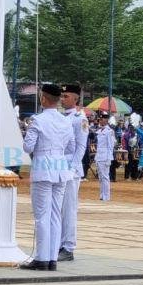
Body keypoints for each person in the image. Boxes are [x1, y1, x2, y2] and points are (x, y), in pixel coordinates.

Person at [20, 84, 73, 271]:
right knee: (55, 215)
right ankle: (52, 259)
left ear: (44, 98)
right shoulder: (66, 121)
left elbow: (28, 147)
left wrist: (26, 132)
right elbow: (71, 147)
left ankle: (41, 258)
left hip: (43, 167)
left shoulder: (37, 120)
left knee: (42, 215)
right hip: (60, 168)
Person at [57, 85, 88, 262]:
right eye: (61, 96)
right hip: (60, 166)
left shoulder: (79, 118)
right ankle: (60, 243)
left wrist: (73, 168)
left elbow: (81, 146)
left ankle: (68, 247)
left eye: (66, 96)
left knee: (69, 209)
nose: (62, 99)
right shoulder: (63, 117)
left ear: (75, 99)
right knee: (60, 208)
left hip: (71, 169)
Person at [94, 111, 116, 200]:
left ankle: (106, 196)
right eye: (100, 119)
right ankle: (102, 195)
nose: (100, 120)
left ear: (106, 120)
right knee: (100, 177)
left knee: (105, 177)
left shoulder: (109, 131)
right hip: (99, 156)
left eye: (102, 119)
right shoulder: (99, 131)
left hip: (105, 156)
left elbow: (111, 145)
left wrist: (109, 158)